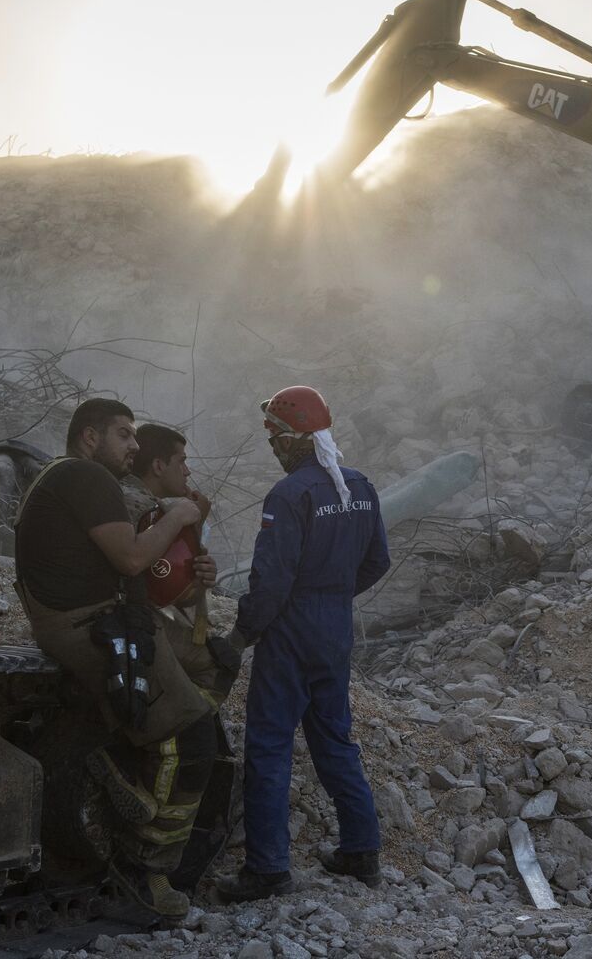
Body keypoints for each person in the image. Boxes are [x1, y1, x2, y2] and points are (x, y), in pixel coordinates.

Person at [13, 399, 217, 920]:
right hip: (90, 628)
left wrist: (192, 574)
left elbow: (136, 572)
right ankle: (144, 872)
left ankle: (133, 751)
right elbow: (131, 558)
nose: (134, 446)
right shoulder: (86, 476)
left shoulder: (71, 479)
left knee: (208, 663)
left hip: (93, 618)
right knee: (193, 737)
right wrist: (177, 515)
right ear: (89, 437)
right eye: (124, 435)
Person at [216, 385, 391, 901]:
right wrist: (334, 595)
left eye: (274, 435)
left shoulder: (288, 496)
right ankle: (362, 851)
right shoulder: (359, 486)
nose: (271, 446)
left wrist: (241, 634)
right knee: (335, 739)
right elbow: (377, 560)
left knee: (269, 746)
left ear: (295, 438)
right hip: (335, 628)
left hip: (291, 632)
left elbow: (270, 581)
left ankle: (267, 869)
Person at [121, 423, 240, 709]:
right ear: (159, 466)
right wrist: (192, 523)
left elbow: (180, 582)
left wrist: (200, 563)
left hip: (147, 618)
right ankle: (183, 726)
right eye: (182, 462)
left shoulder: (159, 507)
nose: (187, 472)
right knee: (219, 662)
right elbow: (158, 585)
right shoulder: (142, 509)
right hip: (135, 622)